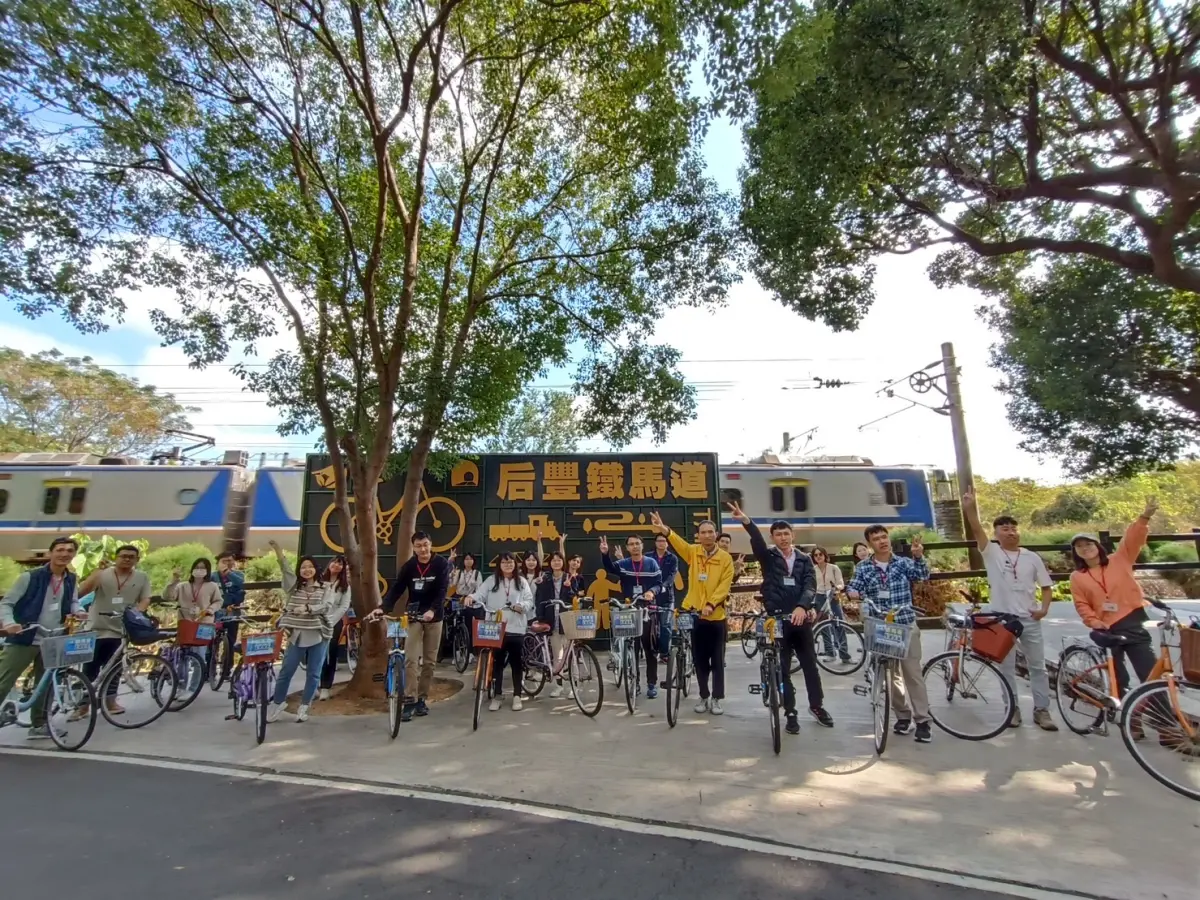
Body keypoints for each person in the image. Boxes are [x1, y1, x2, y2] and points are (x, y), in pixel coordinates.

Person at [728, 502, 832, 733]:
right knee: (781, 668)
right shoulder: (768, 557)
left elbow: (810, 585)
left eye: (786, 534)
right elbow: (756, 541)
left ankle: (817, 706)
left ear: (792, 535)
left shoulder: (805, 559)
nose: (783, 538)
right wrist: (746, 521)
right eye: (778, 534)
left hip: (800, 620)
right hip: (776, 621)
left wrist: (802, 607)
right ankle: (790, 711)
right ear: (773, 537)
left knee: (810, 667)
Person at [961, 488, 1058, 732]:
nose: (1010, 532)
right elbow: (976, 529)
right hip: (1001, 620)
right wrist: (970, 508)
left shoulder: (1031, 557)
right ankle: (1012, 708)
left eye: (1013, 528)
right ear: (996, 534)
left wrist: (1044, 609)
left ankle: (1041, 710)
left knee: (1038, 666)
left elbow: (1046, 587)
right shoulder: (991, 552)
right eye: (1004, 529)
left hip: (1029, 618)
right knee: (1006, 667)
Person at [846, 525, 933, 743]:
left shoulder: (903, 563)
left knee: (912, 673)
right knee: (889, 674)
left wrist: (918, 556)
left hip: (905, 623)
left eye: (884, 537)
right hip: (881, 626)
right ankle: (902, 716)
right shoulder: (864, 568)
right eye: (876, 539)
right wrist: (853, 593)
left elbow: (922, 574)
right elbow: (853, 588)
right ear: (870, 544)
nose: (882, 541)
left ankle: (922, 720)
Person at [1069, 498, 1160, 700]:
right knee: (1118, 678)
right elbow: (1081, 604)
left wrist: (1145, 517)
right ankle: (1128, 719)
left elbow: (1132, 539)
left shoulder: (1119, 560)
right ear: (1075, 553)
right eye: (1079, 546)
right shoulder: (1077, 577)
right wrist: (1094, 622)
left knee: (1151, 675)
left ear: (1097, 545)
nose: (1085, 548)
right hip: (1106, 629)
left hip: (1132, 621)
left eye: (1088, 543)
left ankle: (1165, 725)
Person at [650, 512, 734, 715]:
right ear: (698, 536)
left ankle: (716, 698)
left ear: (716, 534)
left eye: (710, 532)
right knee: (699, 660)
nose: (707, 535)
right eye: (703, 532)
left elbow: (724, 586)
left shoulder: (725, 559)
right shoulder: (693, 552)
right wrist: (665, 530)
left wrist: (712, 604)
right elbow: (679, 544)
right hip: (695, 615)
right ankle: (704, 696)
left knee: (717, 661)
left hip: (715, 617)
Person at [0, 537, 84, 740]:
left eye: (70, 550)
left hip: (53, 639)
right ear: (51, 552)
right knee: (4, 681)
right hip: (25, 637)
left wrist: (79, 610)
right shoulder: (30, 577)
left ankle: (39, 724)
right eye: (60, 549)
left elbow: (73, 601)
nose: (65, 554)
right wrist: (9, 624)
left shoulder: (71, 578)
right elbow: (7, 603)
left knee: (45, 685)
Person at [374, 532, 451, 721]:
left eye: (425, 545)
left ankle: (421, 700)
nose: (423, 549)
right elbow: (397, 588)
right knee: (410, 659)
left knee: (430, 662)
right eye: (418, 546)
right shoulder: (409, 566)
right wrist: (383, 608)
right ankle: (409, 699)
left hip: (434, 617)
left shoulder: (441, 564)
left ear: (431, 544)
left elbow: (442, 590)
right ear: (414, 547)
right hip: (414, 616)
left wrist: (433, 609)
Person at [76, 545, 152, 716]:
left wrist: (136, 615)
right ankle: (82, 706)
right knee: (89, 669)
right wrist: (96, 573)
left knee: (114, 669)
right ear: (116, 557)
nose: (127, 559)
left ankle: (111, 703)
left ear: (137, 560)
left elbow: (145, 599)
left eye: (131, 557)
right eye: (123, 556)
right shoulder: (103, 573)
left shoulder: (142, 577)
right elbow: (82, 592)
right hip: (96, 628)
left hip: (120, 630)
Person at [266, 542, 332, 723]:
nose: (307, 570)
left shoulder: (326, 587)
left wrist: (308, 608)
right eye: (303, 567)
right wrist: (278, 550)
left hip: (319, 635)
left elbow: (327, 606)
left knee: (314, 673)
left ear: (316, 569)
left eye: (310, 567)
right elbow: (285, 568)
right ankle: (278, 703)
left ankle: (304, 707)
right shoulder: (294, 586)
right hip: (297, 635)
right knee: (286, 671)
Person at [467, 552, 532, 711]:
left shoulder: (521, 581)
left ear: (515, 565)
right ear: (499, 565)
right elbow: (480, 594)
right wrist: (471, 597)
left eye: (510, 563)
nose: (508, 565)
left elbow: (529, 600)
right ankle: (498, 695)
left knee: (516, 662)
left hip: (516, 627)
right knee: (497, 662)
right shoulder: (491, 580)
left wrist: (522, 606)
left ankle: (517, 695)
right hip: (496, 627)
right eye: (504, 563)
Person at [601, 534, 663, 699]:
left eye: (637, 543)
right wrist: (605, 554)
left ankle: (651, 684)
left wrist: (651, 592)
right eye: (631, 544)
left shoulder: (651, 563)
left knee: (649, 649)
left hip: (647, 611)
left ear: (642, 545)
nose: (635, 546)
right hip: (629, 610)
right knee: (632, 648)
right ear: (627, 548)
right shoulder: (624, 564)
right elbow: (610, 568)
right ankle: (634, 683)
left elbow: (659, 582)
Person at [165, 558, 223, 666]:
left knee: (200, 653)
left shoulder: (212, 586)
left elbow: (218, 601)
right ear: (192, 569)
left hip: (204, 622)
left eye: (202, 568)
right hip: (186, 622)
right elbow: (168, 596)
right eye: (197, 567)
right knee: (183, 652)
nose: (199, 570)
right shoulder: (182, 586)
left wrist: (210, 610)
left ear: (208, 570)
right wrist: (174, 582)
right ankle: (182, 680)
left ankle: (197, 681)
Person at [534, 551, 575, 699]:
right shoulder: (545, 578)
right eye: (553, 560)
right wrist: (540, 617)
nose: (556, 562)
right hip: (552, 620)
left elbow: (574, 598)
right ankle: (558, 685)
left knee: (569, 656)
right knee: (557, 655)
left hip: (567, 620)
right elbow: (540, 599)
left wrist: (569, 588)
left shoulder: (569, 577)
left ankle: (571, 687)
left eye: (559, 560)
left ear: (563, 562)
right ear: (550, 563)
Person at [317, 555, 352, 701]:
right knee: (314, 653)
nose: (336, 565)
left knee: (330, 652)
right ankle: (314, 685)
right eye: (334, 562)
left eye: (340, 564)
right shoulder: (318, 581)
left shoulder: (344, 586)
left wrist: (331, 620)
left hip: (333, 622)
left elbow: (344, 606)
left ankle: (326, 686)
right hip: (315, 621)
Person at [811, 546, 851, 663]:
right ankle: (830, 652)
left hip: (832, 595)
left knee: (839, 623)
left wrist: (836, 588)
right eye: (816, 555)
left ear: (825, 555)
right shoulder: (813, 569)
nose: (818, 557)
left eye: (820, 554)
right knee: (823, 626)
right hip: (819, 596)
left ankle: (844, 654)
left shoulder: (834, 568)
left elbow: (840, 583)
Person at [212, 551, 245, 685]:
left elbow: (241, 586)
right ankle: (210, 670)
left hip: (233, 614)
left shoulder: (238, 575)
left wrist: (229, 573)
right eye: (224, 561)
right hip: (216, 614)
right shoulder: (212, 577)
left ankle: (226, 671)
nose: (228, 563)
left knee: (230, 642)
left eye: (230, 561)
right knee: (212, 643)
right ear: (218, 563)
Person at [650, 532, 679, 659]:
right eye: (659, 541)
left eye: (664, 541)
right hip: (651, 596)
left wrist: (663, 586)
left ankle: (664, 653)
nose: (661, 543)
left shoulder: (672, 558)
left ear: (667, 543)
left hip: (667, 597)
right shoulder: (649, 557)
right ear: (655, 543)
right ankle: (651, 650)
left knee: (665, 625)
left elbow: (672, 576)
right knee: (649, 626)